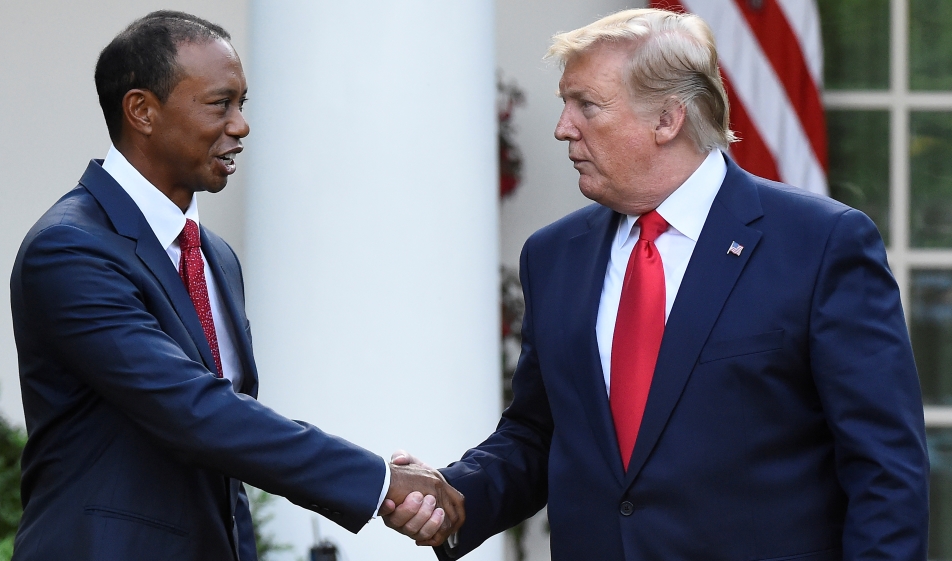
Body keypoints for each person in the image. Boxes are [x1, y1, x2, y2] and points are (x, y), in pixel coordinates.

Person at [383, 8, 930, 560]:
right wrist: (453, 495)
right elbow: (538, 434)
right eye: (563, 103)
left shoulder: (820, 244)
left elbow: (886, 470)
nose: (563, 126)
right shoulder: (552, 256)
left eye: (587, 105)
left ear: (667, 119)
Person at [9, 11, 461, 560]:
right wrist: (379, 484)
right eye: (220, 104)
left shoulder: (212, 256)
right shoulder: (70, 249)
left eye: (242, 103)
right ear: (142, 111)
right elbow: (196, 411)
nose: (241, 125)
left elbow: (228, 450)